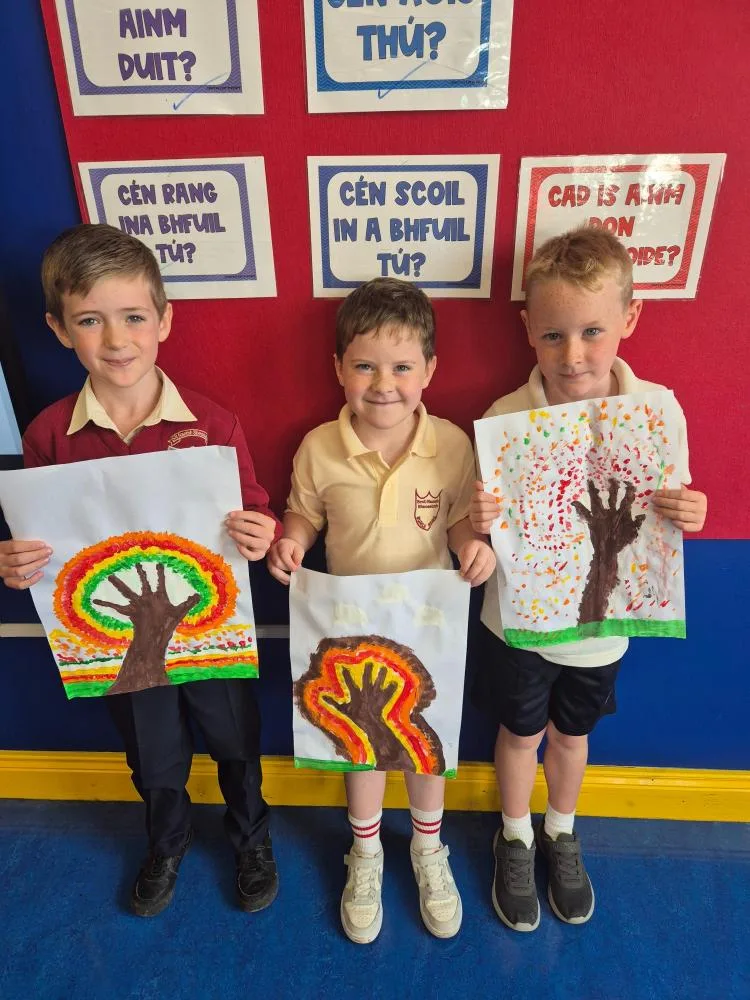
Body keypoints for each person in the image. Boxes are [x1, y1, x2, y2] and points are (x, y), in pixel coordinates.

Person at [0, 224, 281, 918]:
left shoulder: (212, 425)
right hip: (122, 642)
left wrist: (259, 531)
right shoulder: (48, 435)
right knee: (152, 754)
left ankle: (252, 841)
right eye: (90, 321)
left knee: (235, 740)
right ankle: (167, 842)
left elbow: (253, 511)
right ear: (59, 329)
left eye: (132, 317)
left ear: (164, 321)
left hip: (209, 631)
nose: (116, 340)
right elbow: (41, 547)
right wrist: (18, 563)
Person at [470, 227, 707, 932]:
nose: (572, 355)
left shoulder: (658, 410)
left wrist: (689, 510)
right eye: (553, 335)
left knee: (572, 737)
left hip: (603, 631)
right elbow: (481, 526)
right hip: (520, 625)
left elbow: (669, 503)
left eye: (592, 332)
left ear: (631, 319)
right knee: (519, 735)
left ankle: (560, 829)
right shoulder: (505, 419)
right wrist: (480, 519)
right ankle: (515, 836)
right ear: (528, 330)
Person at [267, 277, 495, 943]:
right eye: (365, 366)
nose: (383, 384)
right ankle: (364, 851)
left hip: (427, 628)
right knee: (360, 746)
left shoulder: (452, 445)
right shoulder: (319, 447)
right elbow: (303, 513)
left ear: (430, 370)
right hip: (351, 631)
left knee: (424, 746)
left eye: (401, 367)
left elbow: (459, 520)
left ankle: (428, 847)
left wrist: (471, 547)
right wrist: (291, 541)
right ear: (339, 368)